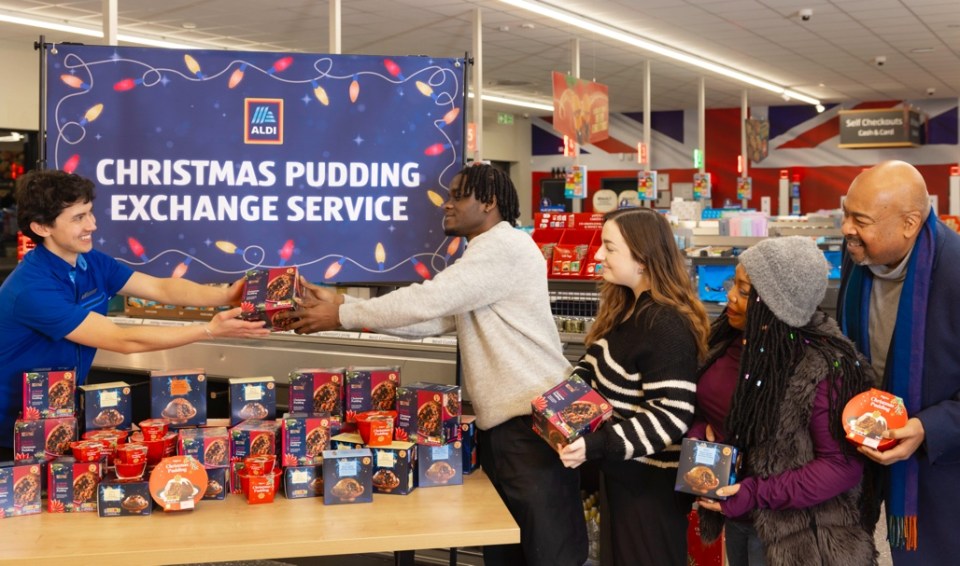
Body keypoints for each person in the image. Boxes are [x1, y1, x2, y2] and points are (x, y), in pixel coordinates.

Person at [276, 163, 587, 566]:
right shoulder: (487, 251)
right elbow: (432, 319)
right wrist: (341, 304)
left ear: (489, 202)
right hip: (514, 428)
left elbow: (429, 300)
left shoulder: (503, 247)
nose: (447, 204)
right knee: (513, 546)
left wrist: (340, 315)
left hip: (532, 429)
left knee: (547, 550)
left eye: (459, 195)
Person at [0, 170, 269, 459]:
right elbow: (123, 340)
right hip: (11, 429)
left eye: (90, 213)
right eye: (78, 218)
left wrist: (226, 295)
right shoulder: (31, 288)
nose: (92, 224)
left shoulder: (91, 262)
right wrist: (209, 330)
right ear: (42, 227)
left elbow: (160, 288)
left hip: (59, 415)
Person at [695, 236, 876, 566]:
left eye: (745, 291)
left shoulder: (823, 366)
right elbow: (710, 407)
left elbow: (842, 467)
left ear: (778, 305)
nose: (730, 297)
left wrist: (754, 493)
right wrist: (701, 439)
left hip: (799, 536)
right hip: (737, 519)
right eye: (732, 284)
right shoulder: (730, 340)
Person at [557, 207, 711, 566]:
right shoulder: (628, 307)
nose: (598, 256)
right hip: (624, 476)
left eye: (609, 248)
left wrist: (595, 444)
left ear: (642, 259)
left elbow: (672, 415)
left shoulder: (665, 323)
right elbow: (593, 371)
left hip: (649, 488)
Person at [837, 160, 960, 564]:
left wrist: (927, 428)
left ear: (909, 224)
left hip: (939, 473)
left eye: (861, 219)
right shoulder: (855, 256)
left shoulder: (954, 272)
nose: (846, 229)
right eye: (845, 214)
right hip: (862, 456)